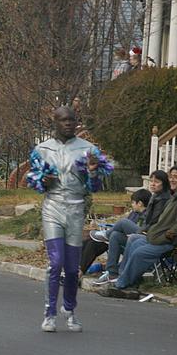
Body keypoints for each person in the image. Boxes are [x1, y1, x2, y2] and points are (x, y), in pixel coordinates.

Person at [30, 106, 104, 333]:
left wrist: (92, 172)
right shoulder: (42, 149)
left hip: (76, 207)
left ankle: (70, 311)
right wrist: (44, 181)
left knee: (72, 268)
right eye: (63, 120)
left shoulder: (88, 149)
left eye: (72, 120)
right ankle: (49, 313)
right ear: (55, 122)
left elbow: (96, 187)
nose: (68, 124)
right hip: (53, 206)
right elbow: (34, 182)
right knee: (56, 262)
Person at [100, 164, 177, 297]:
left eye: (176, 177)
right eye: (170, 177)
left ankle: (121, 285)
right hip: (161, 237)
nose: (171, 180)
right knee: (135, 241)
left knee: (140, 252)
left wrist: (161, 236)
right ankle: (127, 280)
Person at [91, 170, 171, 281]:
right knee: (115, 235)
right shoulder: (155, 196)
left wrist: (138, 232)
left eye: (156, 182)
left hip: (151, 234)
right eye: (151, 181)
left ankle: (105, 234)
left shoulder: (163, 199)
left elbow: (153, 222)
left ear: (164, 183)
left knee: (123, 223)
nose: (152, 184)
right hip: (145, 231)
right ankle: (112, 272)